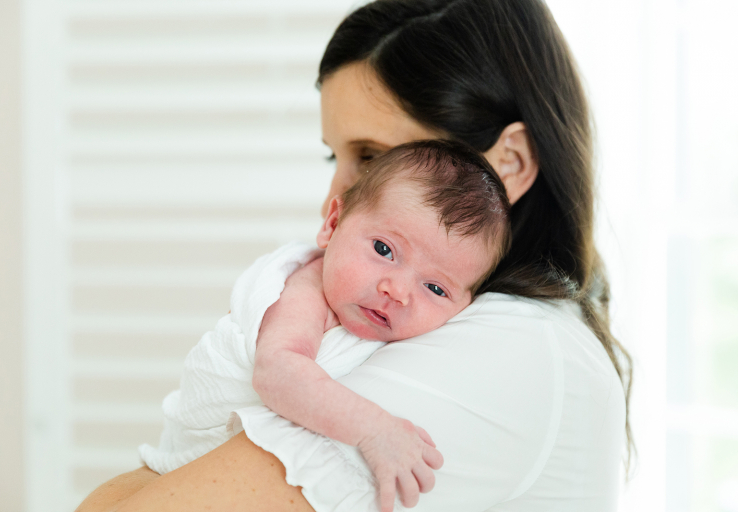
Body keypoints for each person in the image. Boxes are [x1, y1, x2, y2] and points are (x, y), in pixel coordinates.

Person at [77, 1, 633, 511]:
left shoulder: (509, 345)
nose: (332, 202)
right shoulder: (403, 310)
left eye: (372, 156)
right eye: (334, 159)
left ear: (509, 161)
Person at [137, 140, 511, 512]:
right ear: (333, 225)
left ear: (466, 306)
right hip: (192, 463)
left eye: (435, 288)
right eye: (384, 250)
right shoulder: (306, 290)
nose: (397, 292)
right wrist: (373, 429)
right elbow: (277, 373)